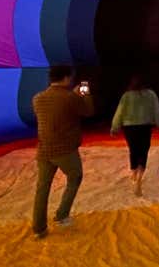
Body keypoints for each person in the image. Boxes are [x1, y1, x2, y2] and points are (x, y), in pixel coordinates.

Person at [31, 65, 94, 239]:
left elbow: (52, 114)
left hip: (44, 150)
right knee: (75, 177)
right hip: (65, 149)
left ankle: (39, 228)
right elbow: (88, 112)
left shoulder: (37, 98)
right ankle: (62, 214)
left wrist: (73, 95)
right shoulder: (69, 98)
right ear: (66, 78)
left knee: (42, 188)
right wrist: (84, 94)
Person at [110, 74, 159, 196]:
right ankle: (139, 176)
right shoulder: (151, 95)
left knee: (133, 150)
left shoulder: (126, 96)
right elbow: (156, 110)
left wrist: (115, 127)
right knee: (143, 150)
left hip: (129, 127)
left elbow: (119, 112)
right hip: (145, 126)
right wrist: (158, 123)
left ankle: (134, 173)